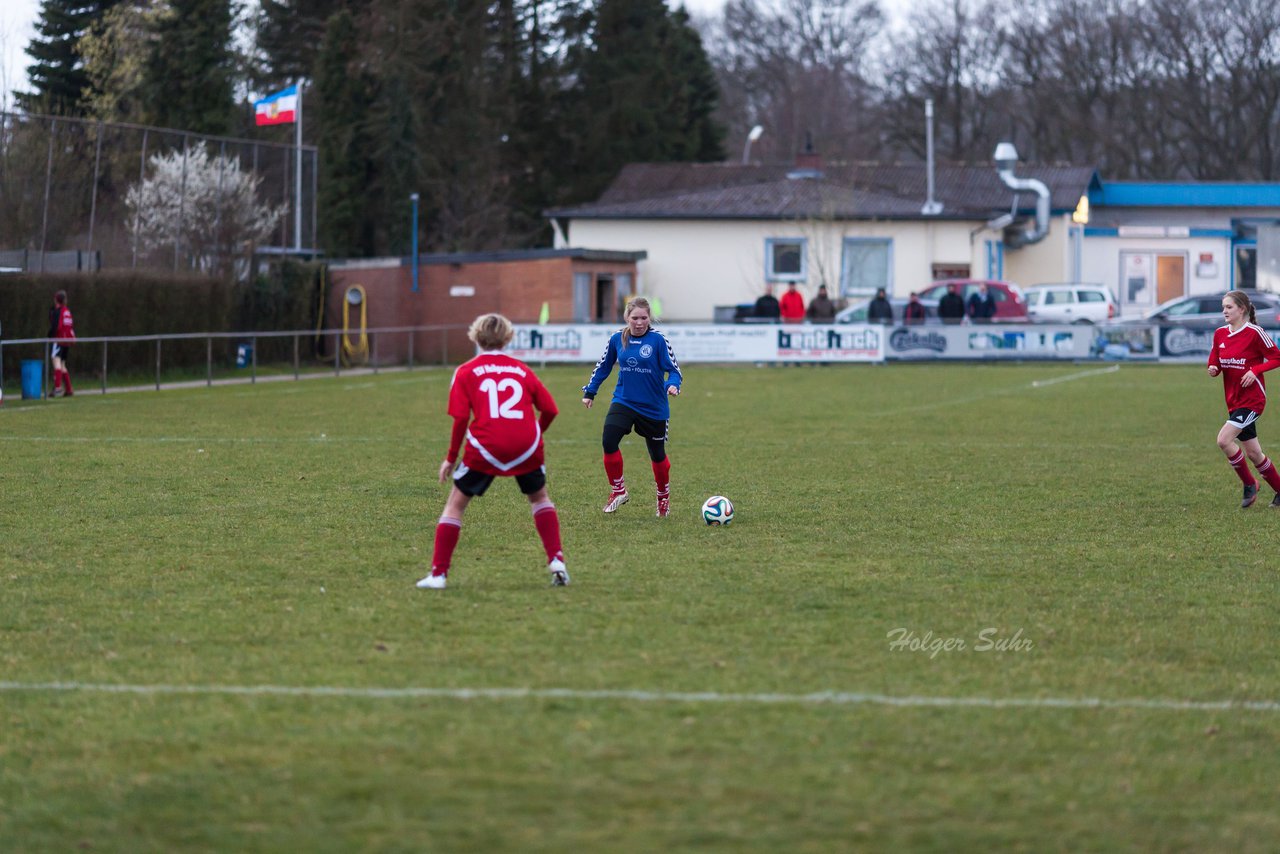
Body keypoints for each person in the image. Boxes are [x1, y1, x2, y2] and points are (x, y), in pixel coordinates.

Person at [416, 313, 568, 590]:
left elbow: (461, 419)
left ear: (475, 336)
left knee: (455, 505)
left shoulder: (465, 371)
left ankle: (438, 575)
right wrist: (533, 435)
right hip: (526, 445)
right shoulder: (522, 370)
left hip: (486, 447)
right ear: (507, 337)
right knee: (539, 498)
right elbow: (551, 409)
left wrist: (451, 458)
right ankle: (557, 561)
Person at [582, 297, 683, 517]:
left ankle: (663, 498)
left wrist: (673, 385)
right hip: (624, 400)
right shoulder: (617, 338)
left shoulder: (658, 340)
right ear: (627, 317)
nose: (639, 322)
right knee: (609, 440)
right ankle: (618, 490)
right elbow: (603, 366)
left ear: (649, 318)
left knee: (657, 456)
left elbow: (674, 370)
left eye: (643, 318)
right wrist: (590, 391)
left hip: (654, 407)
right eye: (635, 318)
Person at [1207, 290, 1280, 509]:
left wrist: (1256, 370)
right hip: (1234, 401)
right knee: (1254, 453)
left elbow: (1277, 357)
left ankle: (1250, 484)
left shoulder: (1255, 332)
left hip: (1253, 401)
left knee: (1223, 440)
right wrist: (1213, 368)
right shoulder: (1220, 333)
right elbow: (1215, 358)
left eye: (1229, 307)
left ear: (1242, 309)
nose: (1224, 311)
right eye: (1223, 307)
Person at [48, 290, 76, 397]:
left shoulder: (58, 311)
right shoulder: (66, 310)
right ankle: (69, 389)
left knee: (56, 362)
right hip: (67, 341)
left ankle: (58, 388)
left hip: (59, 340)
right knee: (63, 364)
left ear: (56, 299)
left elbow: (56, 326)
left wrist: (50, 336)